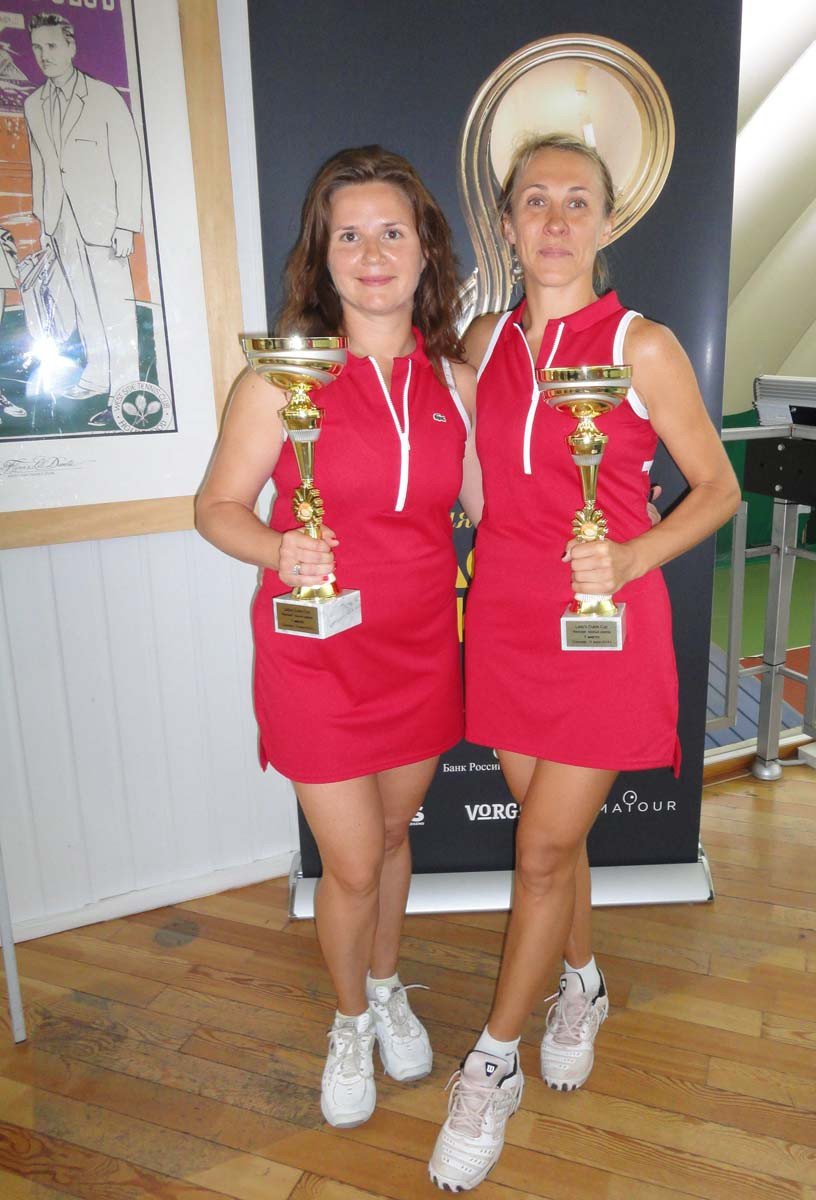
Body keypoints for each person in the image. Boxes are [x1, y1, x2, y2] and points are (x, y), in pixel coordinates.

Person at [428, 133, 740, 1192]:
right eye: (534, 201)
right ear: (507, 223)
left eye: (576, 201)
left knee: (541, 852)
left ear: (607, 221)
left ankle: (492, 1066)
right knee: (550, 842)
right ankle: (583, 983)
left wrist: (637, 553)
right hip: (509, 624)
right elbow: (477, 484)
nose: (555, 221)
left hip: (604, 627)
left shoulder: (642, 345)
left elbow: (718, 488)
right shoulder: (485, 339)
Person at [197, 146, 481, 1130]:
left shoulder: (456, 381)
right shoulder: (281, 380)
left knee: (394, 838)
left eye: (391, 232)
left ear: (424, 248)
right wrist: (278, 547)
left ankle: (389, 983)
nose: (372, 254)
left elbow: (495, 509)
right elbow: (216, 508)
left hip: (418, 652)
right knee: (352, 863)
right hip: (315, 657)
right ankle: (351, 1018)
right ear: (321, 257)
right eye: (348, 235)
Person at [24, 12, 142, 426]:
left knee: (115, 308)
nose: (44, 55)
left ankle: (124, 393)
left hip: (104, 223)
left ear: (71, 46)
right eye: (37, 48)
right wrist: (45, 223)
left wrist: (126, 223)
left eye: (52, 46)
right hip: (61, 222)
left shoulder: (104, 97)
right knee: (83, 304)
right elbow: (41, 165)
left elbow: (128, 161)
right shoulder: (33, 104)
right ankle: (96, 375)